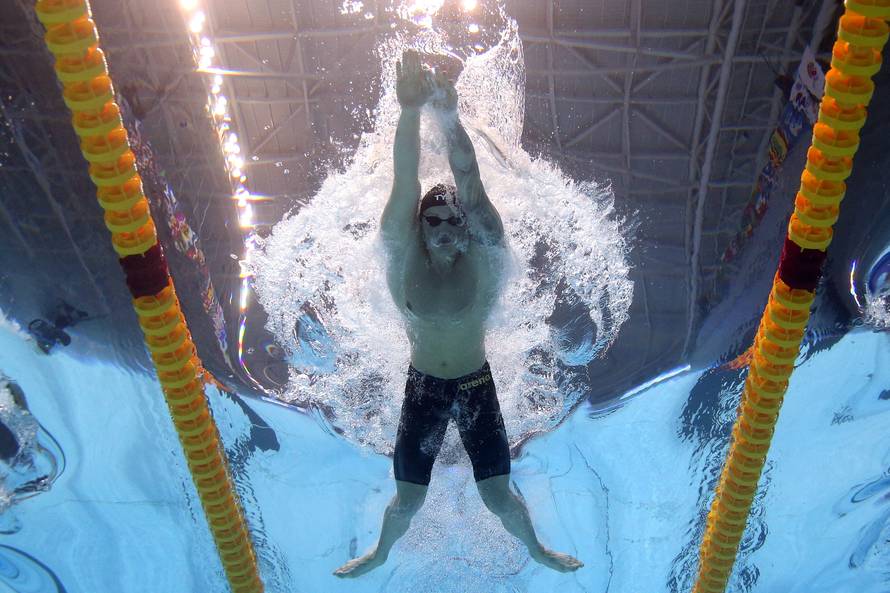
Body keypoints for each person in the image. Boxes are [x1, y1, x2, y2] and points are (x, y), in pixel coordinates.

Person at [334, 49, 583, 578]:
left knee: (496, 496)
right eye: (433, 222)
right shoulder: (403, 255)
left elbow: (469, 183)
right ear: (419, 226)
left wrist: (447, 118)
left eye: (452, 220)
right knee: (407, 502)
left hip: (475, 384)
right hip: (422, 386)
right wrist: (408, 112)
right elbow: (405, 183)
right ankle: (380, 554)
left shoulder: (486, 254)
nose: (445, 229)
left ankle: (537, 550)